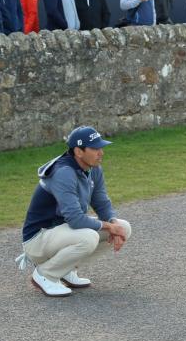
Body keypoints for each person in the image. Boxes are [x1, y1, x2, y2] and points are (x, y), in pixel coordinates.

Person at [16, 126, 132, 298]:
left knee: (124, 227)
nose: (101, 153)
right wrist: (108, 227)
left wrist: (113, 223)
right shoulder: (63, 173)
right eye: (95, 148)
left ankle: (66, 269)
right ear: (78, 151)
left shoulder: (93, 169)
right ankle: (46, 274)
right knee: (89, 237)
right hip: (39, 239)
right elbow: (75, 219)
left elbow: (101, 203)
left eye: (101, 147)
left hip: (61, 233)